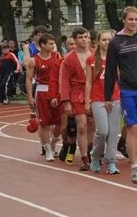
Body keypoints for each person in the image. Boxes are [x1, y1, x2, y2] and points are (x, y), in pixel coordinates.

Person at [104, 6, 137, 184]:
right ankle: (134, 168)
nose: (133, 22)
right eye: (130, 19)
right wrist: (108, 96)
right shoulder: (115, 42)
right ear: (124, 20)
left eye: (136, 19)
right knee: (132, 128)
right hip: (127, 90)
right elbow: (110, 70)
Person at [86, 29, 122, 174]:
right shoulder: (92, 60)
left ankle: (111, 161)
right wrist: (87, 102)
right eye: (104, 40)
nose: (107, 42)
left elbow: (121, 78)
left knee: (113, 132)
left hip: (115, 97)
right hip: (97, 98)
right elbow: (88, 81)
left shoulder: (117, 58)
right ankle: (95, 156)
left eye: (109, 40)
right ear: (98, 42)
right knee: (102, 131)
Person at [25, 33, 62, 161]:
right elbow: (29, 79)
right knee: (45, 123)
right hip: (42, 91)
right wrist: (30, 97)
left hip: (56, 91)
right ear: (42, 45)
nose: (53, 46)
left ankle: (53, 143)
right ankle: (47, 149)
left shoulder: (57, 56)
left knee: (60, 122)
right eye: (50, 44)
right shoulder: (34, 60)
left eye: (53, 43)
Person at [59, 27, 91, 170]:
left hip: (94, 94)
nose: (84, 40)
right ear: (75, 39)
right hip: (77, 93)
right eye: (80, 37)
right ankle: (85, 158)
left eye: (86, 36)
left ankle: (91, 151)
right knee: (82, 126)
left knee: (95, 126)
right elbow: (64, 81)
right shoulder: (69, 59)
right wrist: (66, 102)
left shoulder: (95, 54)